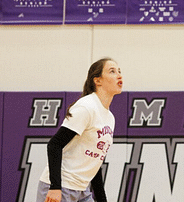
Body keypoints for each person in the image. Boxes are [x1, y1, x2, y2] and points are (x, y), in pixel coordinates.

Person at [36, 57, 123, 202]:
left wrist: (102, 199)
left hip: (82, 190)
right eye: (112, 71)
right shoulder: (86, 107)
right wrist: (55, 187)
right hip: (61, 187)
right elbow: (55, 144)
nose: (119, 75)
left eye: (119, 71)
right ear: (97, 80)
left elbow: (94, 163)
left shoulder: (109, 118)